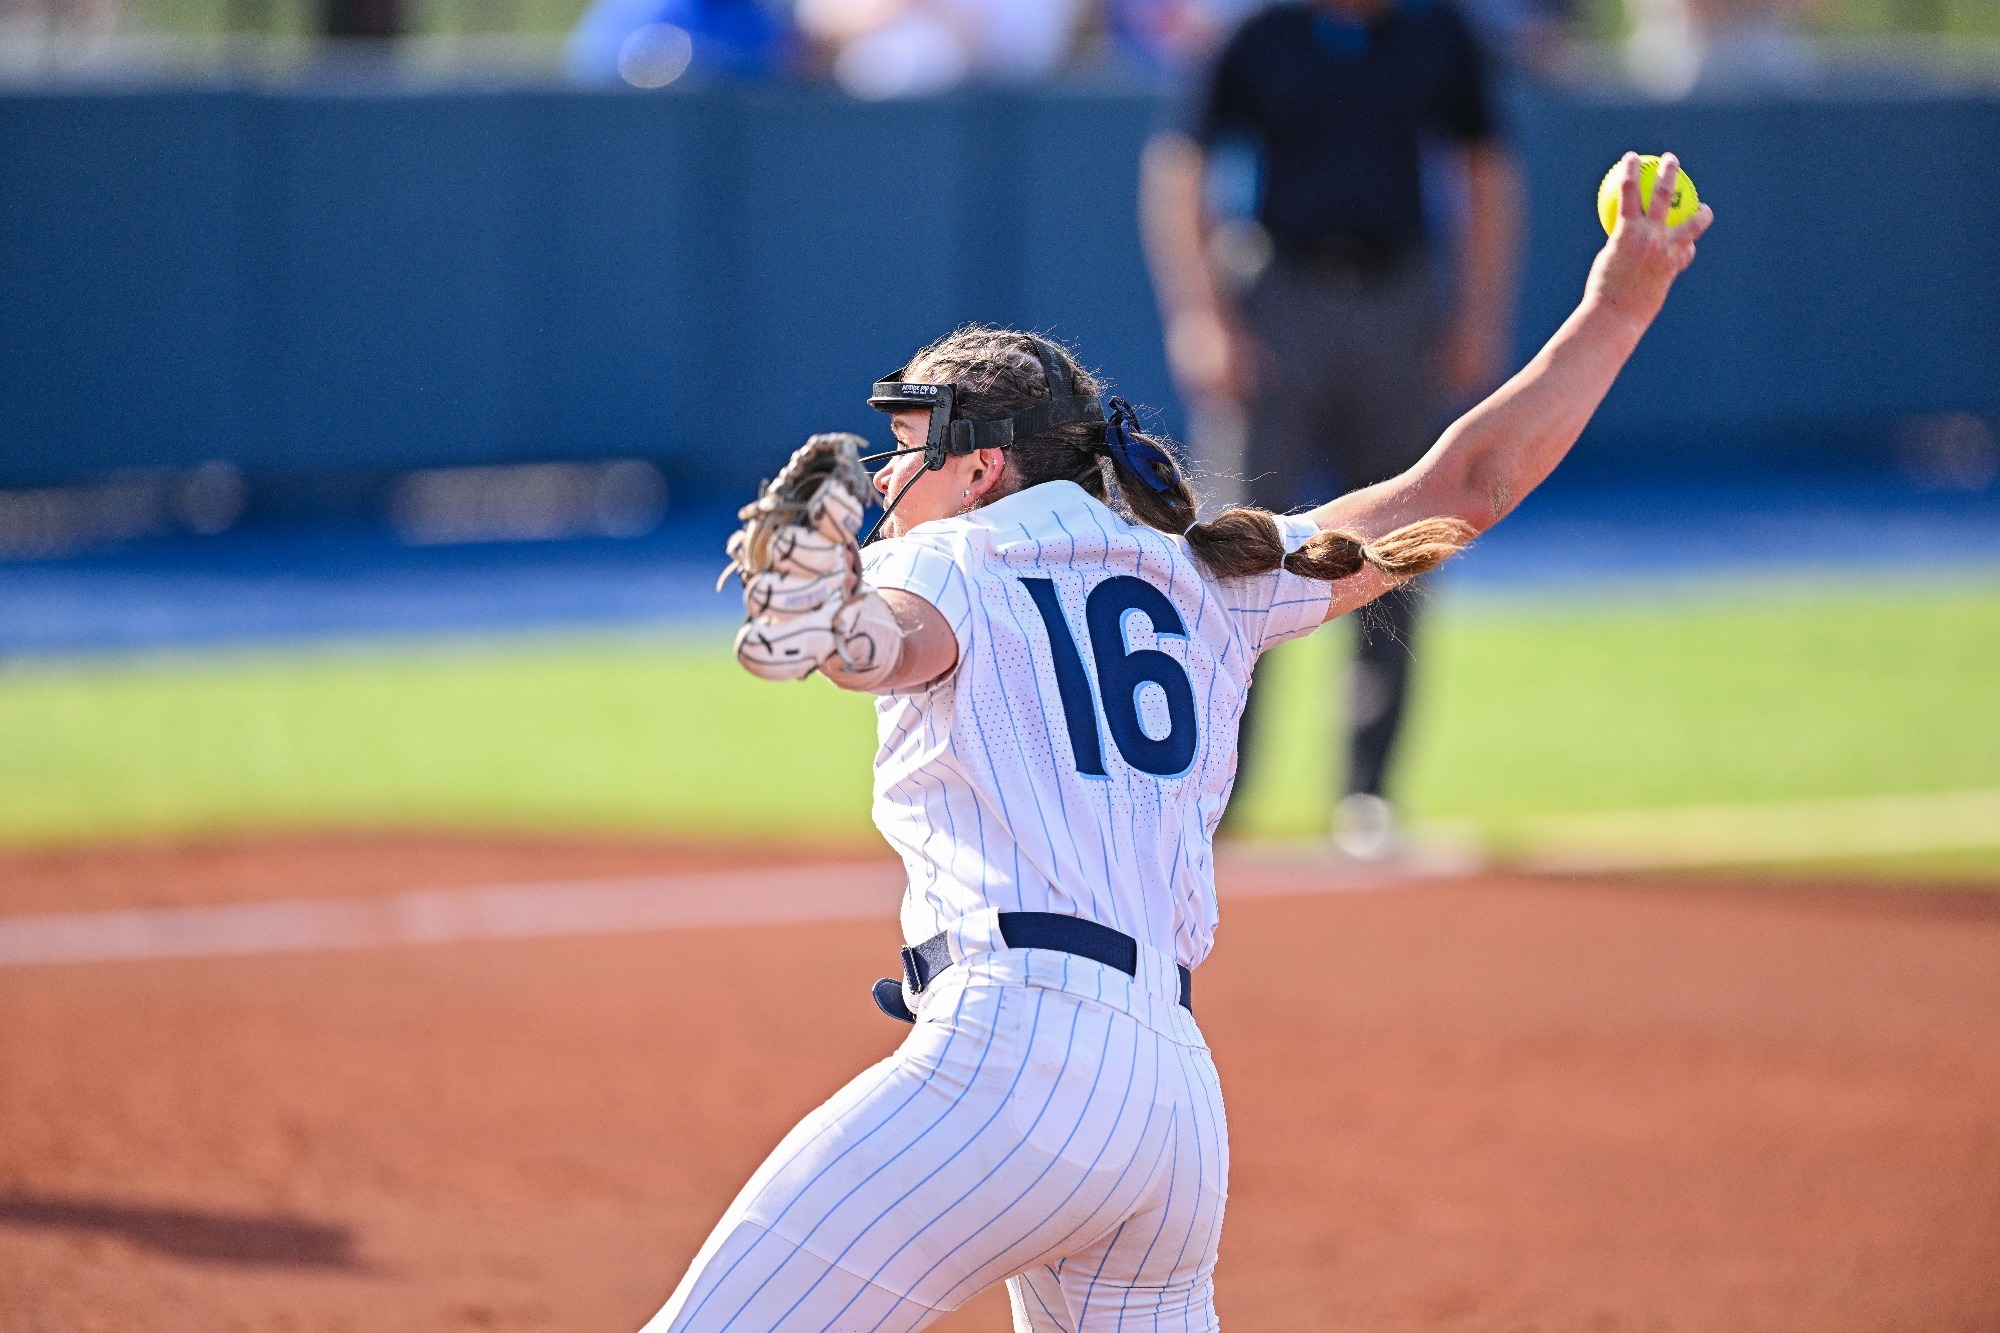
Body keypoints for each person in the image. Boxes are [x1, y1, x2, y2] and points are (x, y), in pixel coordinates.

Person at [645, 154, 1710, 1331]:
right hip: (1169, 1112)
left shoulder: (944, 557)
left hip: (1010, 1063)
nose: (892, 472)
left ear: (982, 465)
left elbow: (889, 643)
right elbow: (1464, 481)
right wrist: (1619, 305)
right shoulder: (1204, 573)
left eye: (909, 444)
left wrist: (835, 630)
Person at [1139, 0, 1524, 856]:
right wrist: (1201, 313)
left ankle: (1367, 791)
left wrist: (1481, 313)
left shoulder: (1436, 32)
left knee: (1400, 551)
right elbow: (1180, 168)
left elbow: (1487, 167)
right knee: (1238, 554)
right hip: (1280, 298)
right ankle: (1211, 793)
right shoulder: (1261, 34)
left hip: (1399, 299)